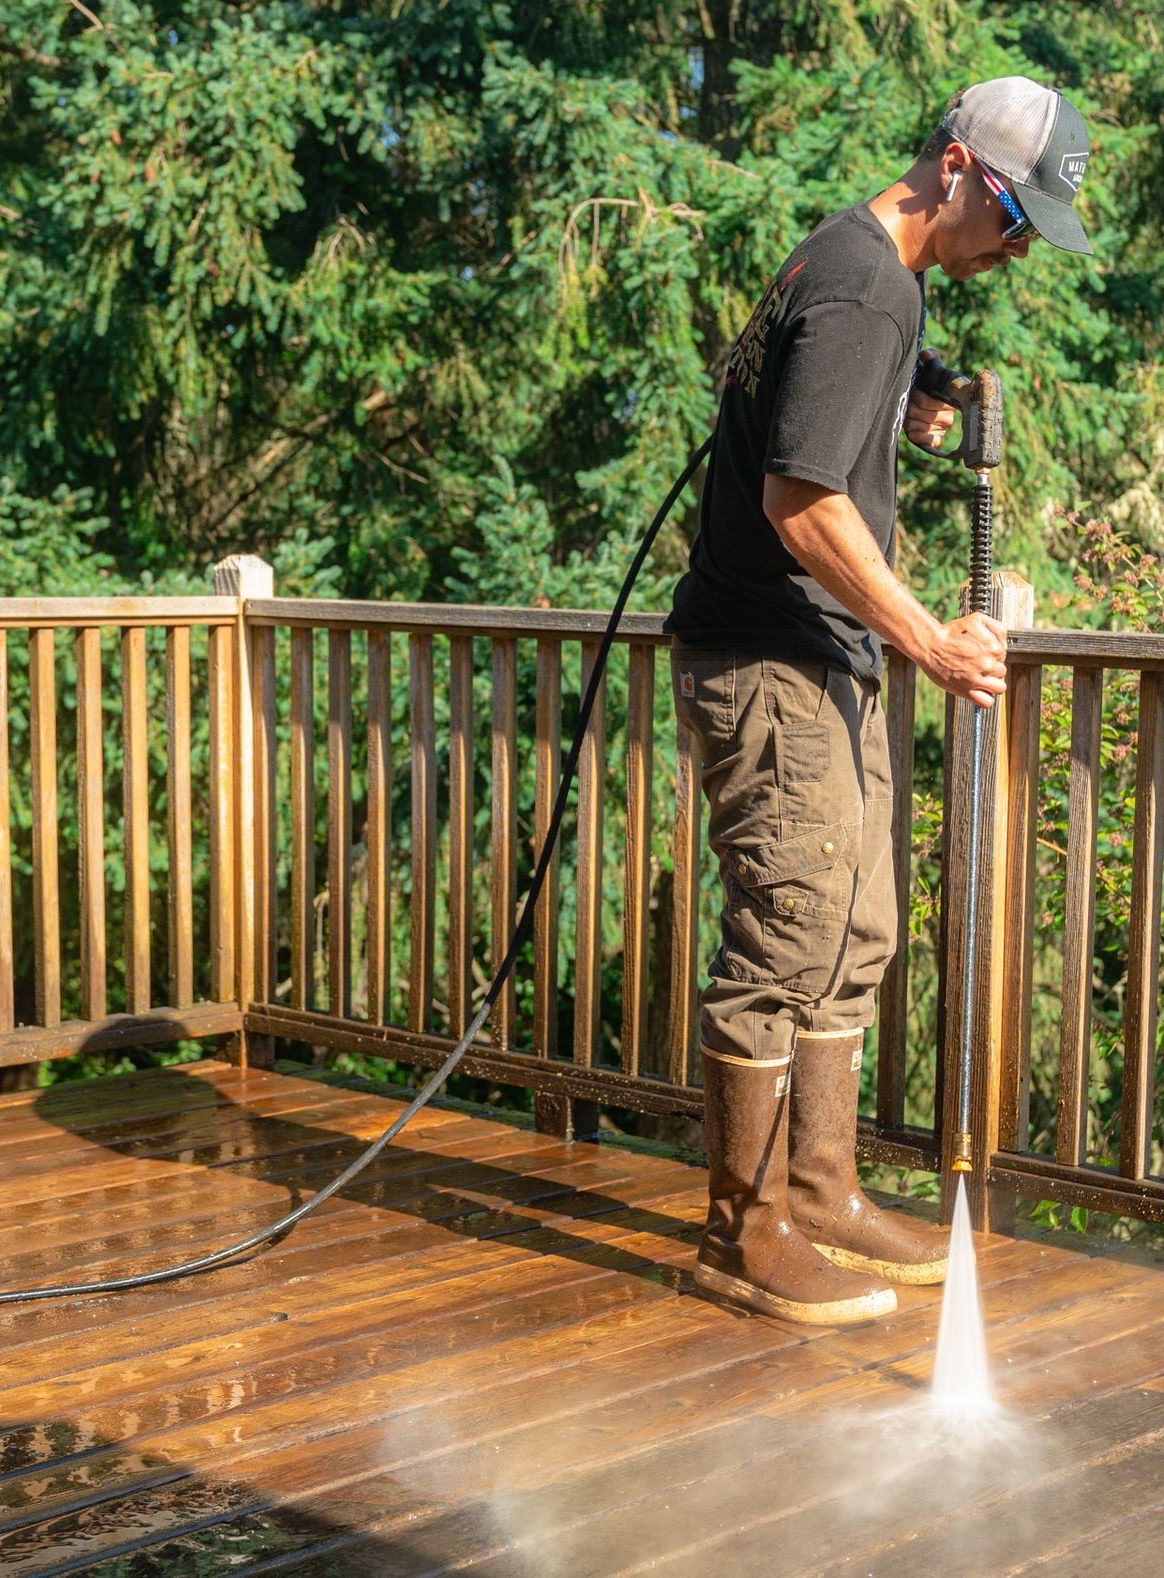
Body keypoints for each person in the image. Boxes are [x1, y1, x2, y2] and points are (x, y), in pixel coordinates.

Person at [665, 77, 1095, 1324]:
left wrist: (906, 391)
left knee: (853, 936)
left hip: (820, 659)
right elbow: (799, 502)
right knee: (788, 938)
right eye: (1013, 218)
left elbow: (807, 419)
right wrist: (929, 640)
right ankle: (741, 1235)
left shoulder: (863, 275)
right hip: (773, 656)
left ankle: (823, 1189)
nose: (1018, 250)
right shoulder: (868, 285)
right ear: (953, 169)